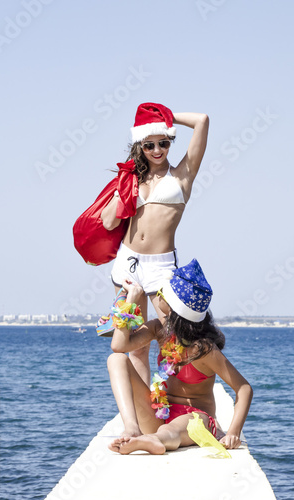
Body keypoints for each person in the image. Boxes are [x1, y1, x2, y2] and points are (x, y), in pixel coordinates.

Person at [100, 103, 209, 385]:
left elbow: (202, 120)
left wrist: (162, 118)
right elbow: (109, 222)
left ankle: (177, 400)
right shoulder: (131, 178)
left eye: (163, 142)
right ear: (140, 145)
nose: (157, 150)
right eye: (150, 145)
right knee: (135, 344)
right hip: (127, 263)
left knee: (173, 336)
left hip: (161, 267)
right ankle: (143, 413)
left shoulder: (183, 175)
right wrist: (122, 190)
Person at [107, 259, 253, 455]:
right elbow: (118, 345)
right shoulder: (159, 330)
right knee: (116, 360)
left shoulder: (204, 350)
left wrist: (233, 432)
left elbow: (243, 388)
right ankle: (133, 428)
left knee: (169, 430)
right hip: (159, 412)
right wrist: (130, 299)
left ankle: (154, 442)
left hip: (195, 419)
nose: (156, 296)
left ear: (171, 307)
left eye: (160, 293)